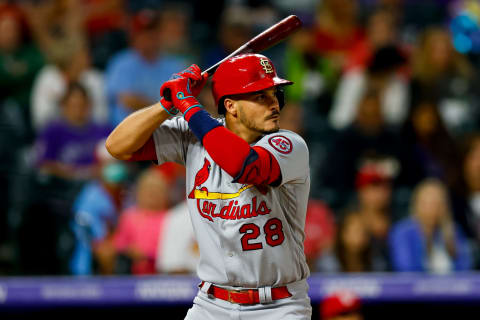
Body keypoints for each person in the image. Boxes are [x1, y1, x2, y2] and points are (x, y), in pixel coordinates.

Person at [106, 54, 311, 319]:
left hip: (279, 306)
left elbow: (246, 166)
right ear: (231, 106)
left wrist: (188, 105)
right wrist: (166, 105)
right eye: (261, 96)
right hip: (212, 304)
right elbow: (118, 146)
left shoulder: (289, 145)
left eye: (274, 94)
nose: (274, 104)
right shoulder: (193, 135)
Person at [389, 178, 472, 273]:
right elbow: (405, 269)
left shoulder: (453, 230)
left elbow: (465, 267)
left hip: (451, 286)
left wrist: (449, 242)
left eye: (438, 203)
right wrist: (426, 239)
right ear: (417, 204)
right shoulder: (403, 232)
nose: (434, 209)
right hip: (417, 287)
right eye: (429, 203)